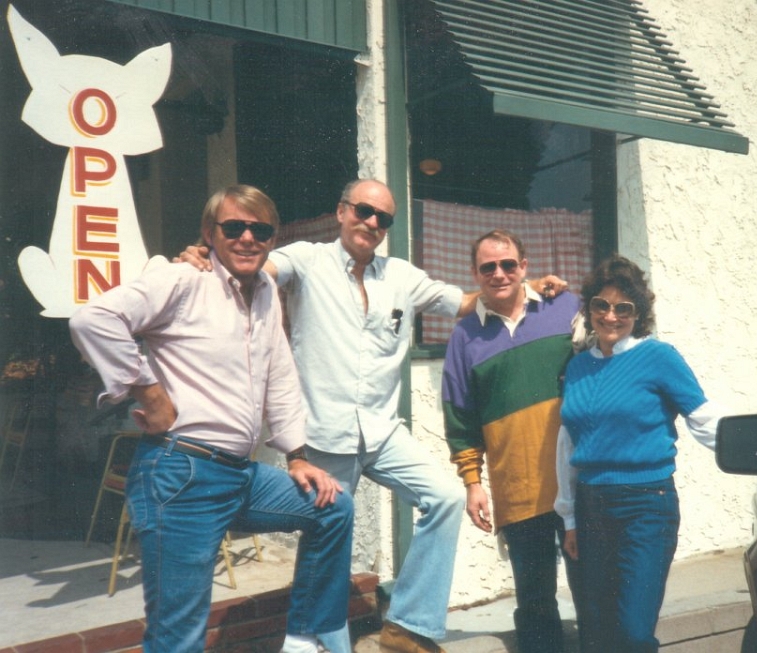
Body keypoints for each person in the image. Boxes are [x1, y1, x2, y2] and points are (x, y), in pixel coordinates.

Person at [178, 179, 566, 653]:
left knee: (445, 496)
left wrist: (524, 285)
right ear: (341, 212)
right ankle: (323, 644)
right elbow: (257, 266)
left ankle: (408, 626)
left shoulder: (401, 276)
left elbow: (467, 302)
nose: (373, 223)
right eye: (364, 212)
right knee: (327, 540)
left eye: (384, 218)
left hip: (382, 433)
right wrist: (205, 256)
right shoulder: (307, 259)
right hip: (324, 434)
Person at [69, 185, 354, 653]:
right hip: (181, 472)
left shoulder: (264, 289)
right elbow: (93, 320)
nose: (247, 238)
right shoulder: (182, 278)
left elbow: (279, 374)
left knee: (332, 507)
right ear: (209, 233)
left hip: (239, 474)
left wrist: (298, 456)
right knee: (178, 635)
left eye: (260, 230)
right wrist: (148, 391)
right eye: (234, 227)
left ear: (272, 238)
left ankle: (304, 641)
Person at [554, 255, 721, 653]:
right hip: (591, 507)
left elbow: (705, 420)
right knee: (595, 632)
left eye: (623, 308)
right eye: (601, 305)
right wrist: (570, 519)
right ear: (589, 308)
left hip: (646, 507)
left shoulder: (658, 357)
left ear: (638, 314)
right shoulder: (577, 368)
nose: (610, 316)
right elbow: (568, 446)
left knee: (632, 632)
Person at [441, 230, 582, 653]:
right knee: (535, 604)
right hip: (517, 488)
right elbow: (460, 417)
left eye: (508, 264)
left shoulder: (567, 309)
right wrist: (472, 482)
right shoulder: (464, 338)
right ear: (475, 275)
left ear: (524, 266)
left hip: (578, 481)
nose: (499, 274)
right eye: (488, 267)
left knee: (593, 591)